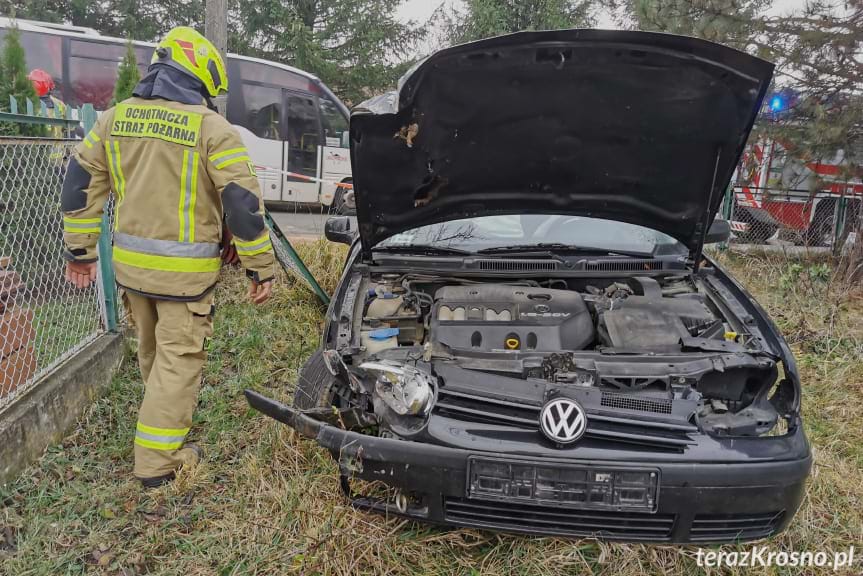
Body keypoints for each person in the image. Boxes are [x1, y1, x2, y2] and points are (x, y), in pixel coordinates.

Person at [60, 27, 275, 488]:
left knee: (153, 354)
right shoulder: (211, 128)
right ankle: (158, 463)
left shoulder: (113, 119)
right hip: (186, 278)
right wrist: (260, 269)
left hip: (132, 270)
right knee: (178, 360)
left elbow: (79, 184)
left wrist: (79, 251)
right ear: (198, 75)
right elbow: (242, 203)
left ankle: (159, 426)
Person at [27, 69, 68, 138]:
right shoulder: (60, 104)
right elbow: (69, 126)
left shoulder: (28, 104)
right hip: (58, 146)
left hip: (37, 145)